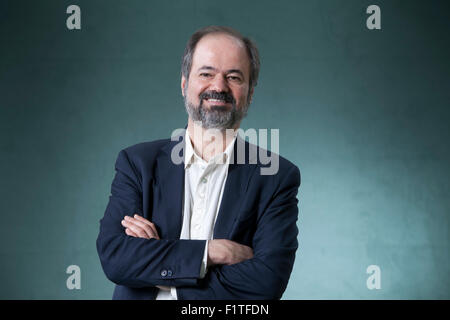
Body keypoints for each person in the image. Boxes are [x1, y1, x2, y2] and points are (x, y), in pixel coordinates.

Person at [96, 25, 301, 300]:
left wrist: (161, 264)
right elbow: (116, 258)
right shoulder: (137, 163)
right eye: (206, 73)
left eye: (234, 77)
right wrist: (211, 252)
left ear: (250, 93)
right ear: (184, 84)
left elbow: (266, 283)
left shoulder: (276, 176)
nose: (218, 86)